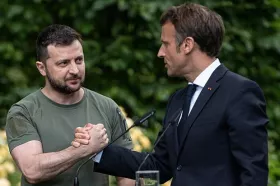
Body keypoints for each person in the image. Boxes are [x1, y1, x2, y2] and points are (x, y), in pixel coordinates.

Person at [73, 2, 269, 186]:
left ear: (187, 45)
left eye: (165, 44)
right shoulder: (179, 99)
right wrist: (98, 151)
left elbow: (253, 174)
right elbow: (159, 165)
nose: (160, 52)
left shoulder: (240, 92)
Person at [5, 24, 134, 186]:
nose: (74, 70)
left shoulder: (107, 107)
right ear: (42, 68)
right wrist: (83, 149)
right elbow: (32, 170)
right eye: (63, 63)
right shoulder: (23, 112)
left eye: (79, 60)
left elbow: (128, 176)